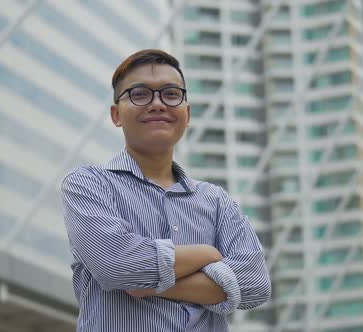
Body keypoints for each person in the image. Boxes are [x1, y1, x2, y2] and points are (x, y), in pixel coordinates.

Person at [61, 49, 271, 331]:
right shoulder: (88, 185)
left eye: (171, 94)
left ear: (187, 111)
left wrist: (150, 284)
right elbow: (119, 265)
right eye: (140, 94)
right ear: (116, 114)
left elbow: (255, 282)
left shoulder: (216, 201)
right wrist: (208, 254)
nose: (157, 104)